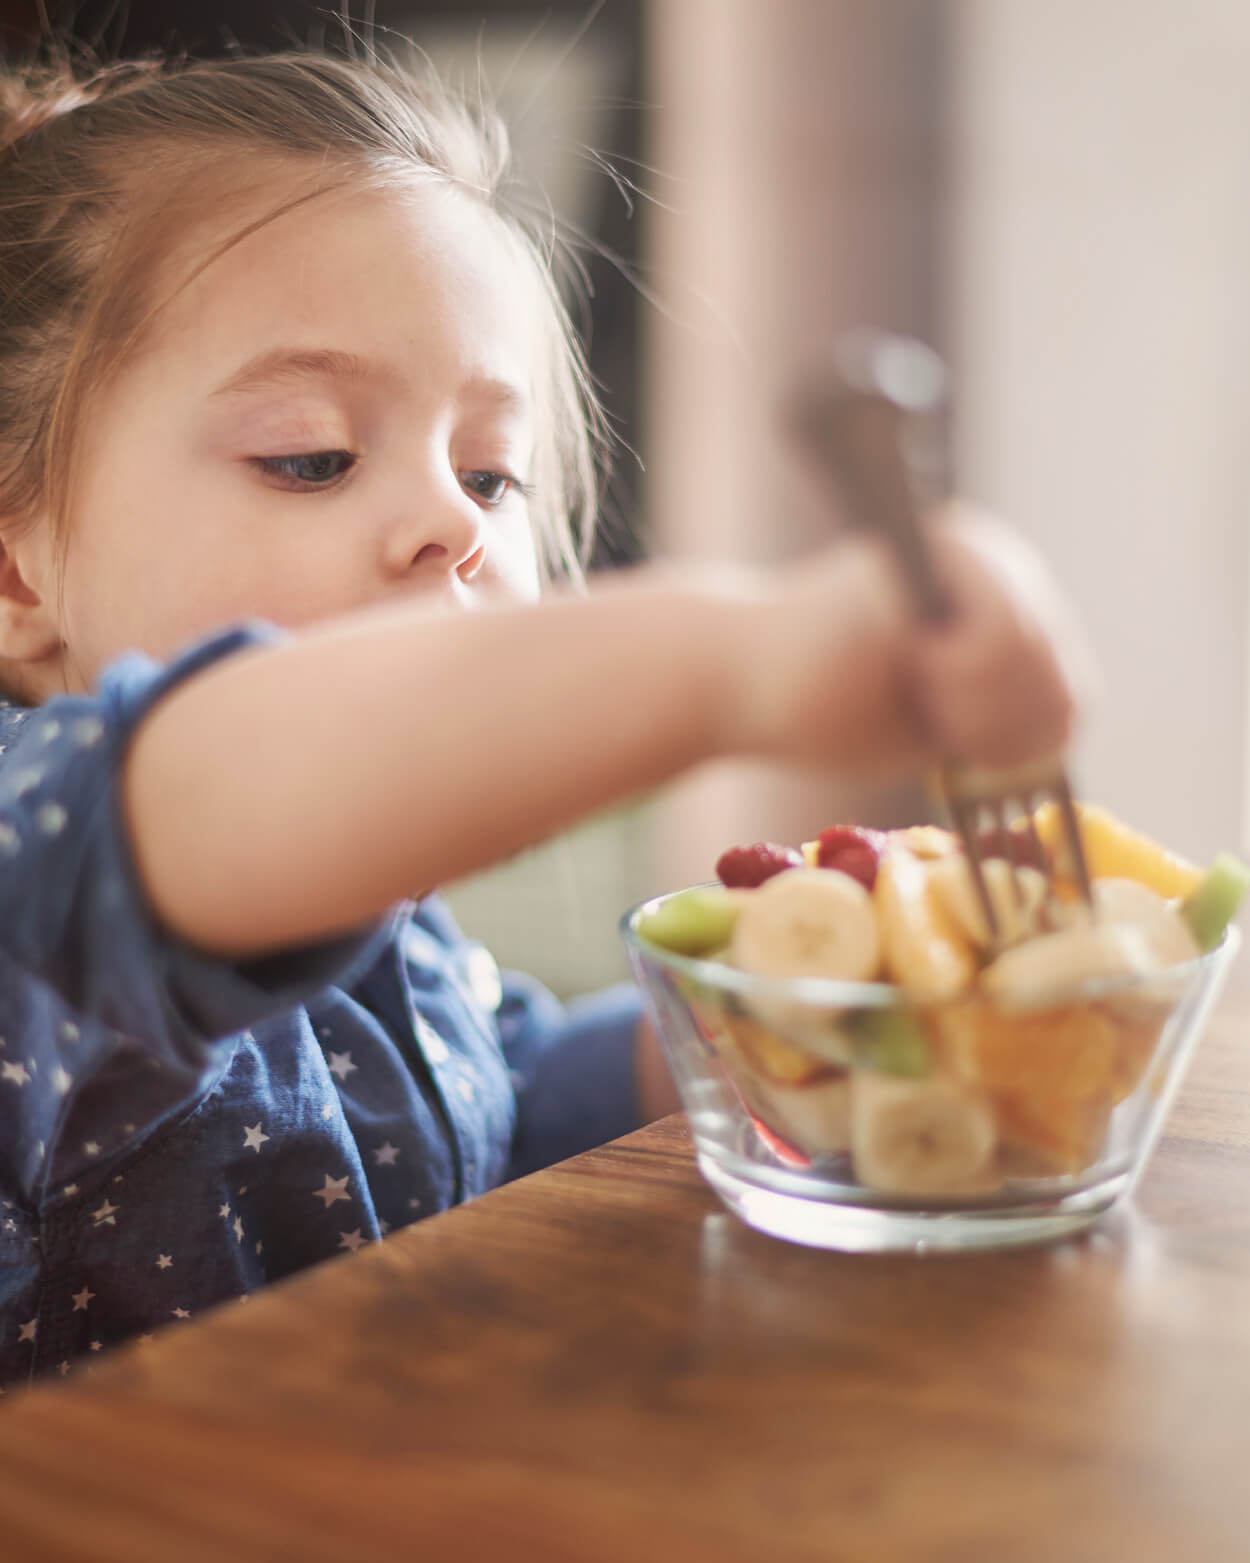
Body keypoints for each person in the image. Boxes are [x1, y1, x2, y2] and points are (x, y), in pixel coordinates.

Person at [0, 49, 1085, 1387]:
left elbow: (495, 1108)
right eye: (312, 456)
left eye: (491, 473)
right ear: (16, 571)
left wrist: (748, 1020)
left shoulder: (398, 942)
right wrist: (734, 655)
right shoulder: (36, 856)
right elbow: (236, 776)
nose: (457, 523)